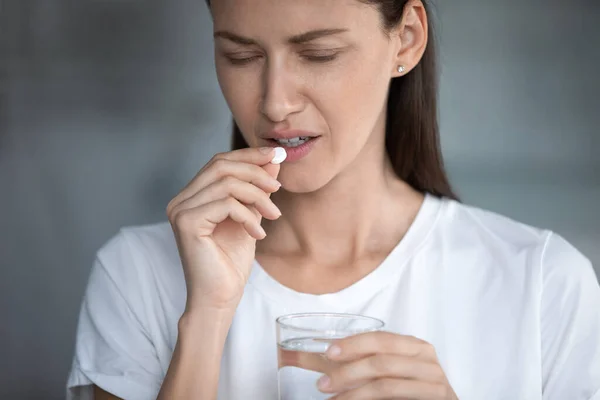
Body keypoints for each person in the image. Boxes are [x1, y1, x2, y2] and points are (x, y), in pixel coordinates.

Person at [66, 0, 600, 399]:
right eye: (241, 55)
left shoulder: (542, 284)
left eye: (318, 54)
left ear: (406, 39)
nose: (275, 103)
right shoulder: (137, 273)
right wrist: (205, 318)